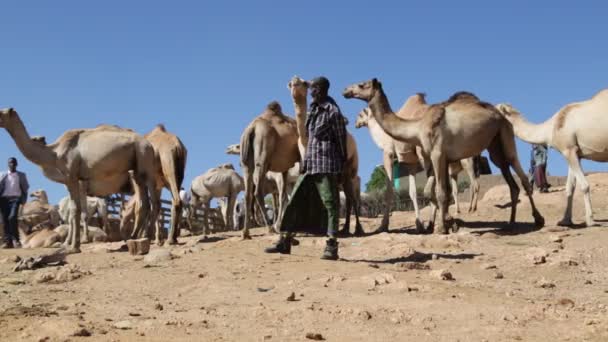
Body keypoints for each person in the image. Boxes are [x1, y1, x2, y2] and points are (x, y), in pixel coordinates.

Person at [264, 76, 347, 260]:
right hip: (310, 164)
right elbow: (308, 137)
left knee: (330, 204)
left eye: (315, 89)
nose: (312, 92)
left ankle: (331, 246)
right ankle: (285, 241)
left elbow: (341, 141)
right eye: (312, 89)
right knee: (294, 201)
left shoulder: (333, 112)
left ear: (324, 90)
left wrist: (341, 167)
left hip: (326, 165)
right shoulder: (313, 109)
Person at [0, 157, 30, 248]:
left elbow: (26, 186)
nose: (12, 164)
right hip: (3, 199)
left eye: (13, 163)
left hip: (15, 199)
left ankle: (16, 240)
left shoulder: (21, 175)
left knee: (12, 217)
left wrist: (23, 198)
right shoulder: (2, 174)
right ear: (8, 164)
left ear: (16, 164)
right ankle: (7, 242)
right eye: (10, 163)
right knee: (5, 220)